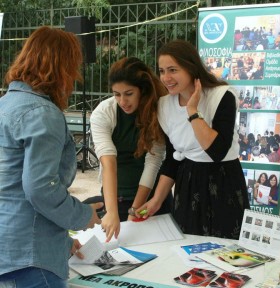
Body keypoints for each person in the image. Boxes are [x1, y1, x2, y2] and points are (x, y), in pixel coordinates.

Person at [0, 26, 102, 288]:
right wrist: (82, 216)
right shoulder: (42, 113)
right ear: (62, 68)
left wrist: (61, 241)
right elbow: (41, 189)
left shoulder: (5, 105)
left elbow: (11, 186)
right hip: (30, 259)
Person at [136, 39, 249, 240]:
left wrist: (192, 111)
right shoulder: (164, 105)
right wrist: (156, 200)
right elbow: (172, 159)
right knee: (189, 250)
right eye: (161, 71)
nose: (166, 78)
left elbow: (216, 151)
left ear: (190, 67)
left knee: (227, 251)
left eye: (172, 70)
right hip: (188, 182)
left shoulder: (222, 96)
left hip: (223, 181)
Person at [89, 57, 172, 242]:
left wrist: (135, 210)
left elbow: (153, 161)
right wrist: (111, 212)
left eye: (128, 94)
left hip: (151, 198)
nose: (122, 101)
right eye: (117, 94)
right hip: (115, 197)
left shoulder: (157, 110)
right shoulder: (103, 113)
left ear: (141, 90)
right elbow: (108, 162)